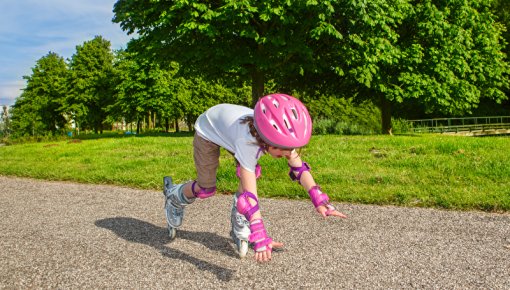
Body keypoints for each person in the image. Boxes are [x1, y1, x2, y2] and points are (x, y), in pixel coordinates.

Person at [163, 93, 347, 263]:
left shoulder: (274, 136)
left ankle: (240, 215)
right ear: (265, 138)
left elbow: (299, 168)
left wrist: (319, 200)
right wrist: (259, 231)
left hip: (230, 130)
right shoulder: (248, 143)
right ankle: (174, 196)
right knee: (206, 189)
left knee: (251, 172)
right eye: (281, 148)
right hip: (209, 131)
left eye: (290, 148)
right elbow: (251, 196)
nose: (287, 153)